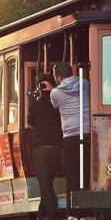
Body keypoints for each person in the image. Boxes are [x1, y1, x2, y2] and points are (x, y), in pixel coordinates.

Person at [44, 62, 91, 204]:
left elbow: (55, 105)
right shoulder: (86, 84)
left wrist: (52, 89)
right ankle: (90, 207)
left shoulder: (55, 93)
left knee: (72, 175)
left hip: (70, 137)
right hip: (89, 132)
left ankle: (74, 212)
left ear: (58, 77)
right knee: (88, 172)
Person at [27, 73, 63, 220]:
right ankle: (42, 213)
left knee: (45, 183)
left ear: (40, 86)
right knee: (46, 182)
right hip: (57, 148)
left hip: (41, 149)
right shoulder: (59, 103)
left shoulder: (35, 105)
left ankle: (52, 215)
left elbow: (31, 122)